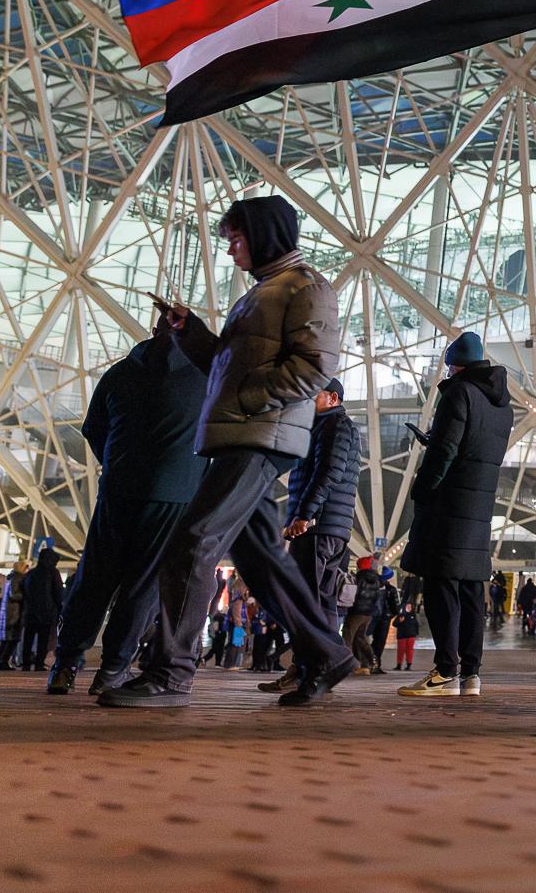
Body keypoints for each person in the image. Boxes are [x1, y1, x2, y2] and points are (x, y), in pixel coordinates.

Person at [102, 197, 354, 709]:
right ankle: (325, 652)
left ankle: (171, 673)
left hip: (260, 436)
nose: (231, 248)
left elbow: (314, 368)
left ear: (262, 234)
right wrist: (189, 331)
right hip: (242, 434)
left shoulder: (305, 287)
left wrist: (247, 398)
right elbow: (225, 364)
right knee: (261, 561)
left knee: (191, 544)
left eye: (236, 237)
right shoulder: (263, 292)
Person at [47, 323, 208, 695]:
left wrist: (118, 461)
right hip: (174, 496)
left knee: (94, 578)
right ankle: (113, 670)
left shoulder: (119, 372)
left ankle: (66, 664)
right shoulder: (205, 379)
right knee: (142, 586)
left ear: (154, 331)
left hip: (118, 489)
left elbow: (92, 429)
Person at [398, 331, 510, 698]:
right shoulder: (501, 406)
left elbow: (445, 452)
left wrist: (423, 488)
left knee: (440, 583)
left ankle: (446, 671)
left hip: (449, 506)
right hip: (478, 509)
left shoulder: (459, 393)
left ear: (454, 364)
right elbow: (474, 448)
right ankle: (471, 675)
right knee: (470, 590)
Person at [258, 378, 360, 696]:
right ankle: (307, 669)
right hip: (328, 525)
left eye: (311, 395)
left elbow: (328, 471)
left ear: (332, 397)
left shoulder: (335, 426)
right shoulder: (325, 426)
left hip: (321, 525)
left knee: (309, 600)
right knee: (320, 601)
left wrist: (305, 514)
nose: (305, 400)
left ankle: (315, 672)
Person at [20, 547, 64, 670]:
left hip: (30, 612)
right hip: (46, 612)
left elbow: (23, 591)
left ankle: (26, 663)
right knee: (43, 640)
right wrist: (60, 609)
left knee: (28, 639)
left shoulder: (31, 573)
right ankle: (39, 663)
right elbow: (58, 593)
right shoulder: (53, 573)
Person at [341, 556, 384, 672]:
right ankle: (372, 661)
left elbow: (352, 594)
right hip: (368, 613)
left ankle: (347, 665)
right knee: (361, 638)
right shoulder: (376, 579)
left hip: (356, 612)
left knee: (347, 637)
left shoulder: (358, 578)